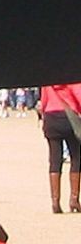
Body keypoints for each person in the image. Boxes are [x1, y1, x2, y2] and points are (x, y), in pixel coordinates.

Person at [40, 82, 81, 214]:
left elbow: (44, 101)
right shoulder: (72, 76)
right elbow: (78, 95)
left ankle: (55, 202)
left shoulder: (48, 79)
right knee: (76, 158)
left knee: (55, 160)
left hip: (51, 118)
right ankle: (74, 199)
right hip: (69, 117)